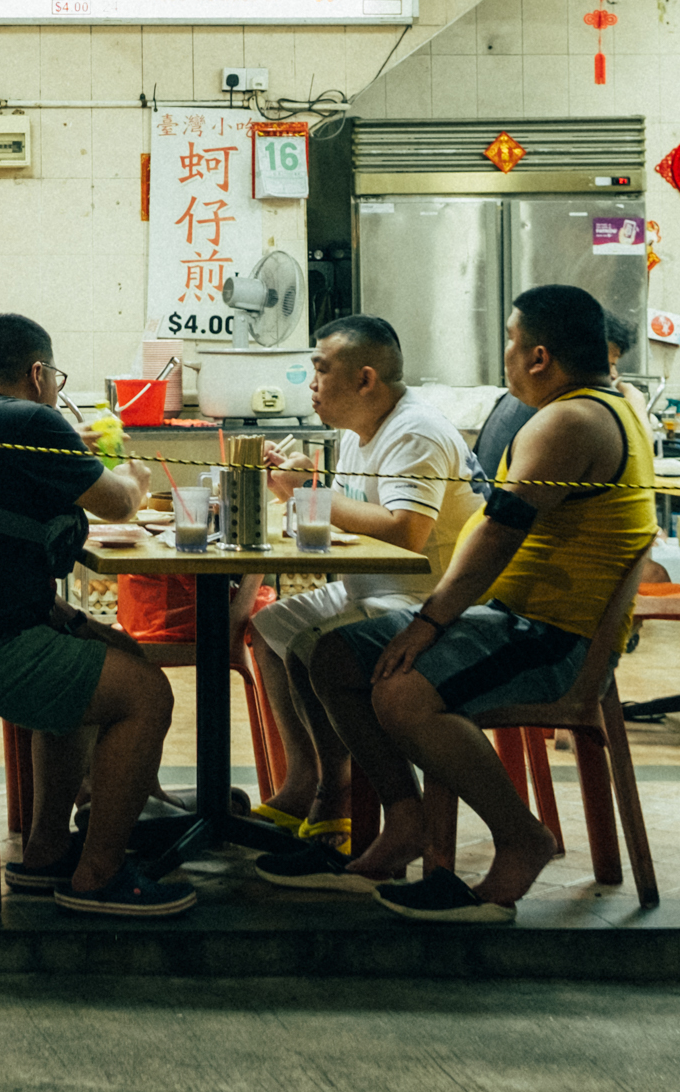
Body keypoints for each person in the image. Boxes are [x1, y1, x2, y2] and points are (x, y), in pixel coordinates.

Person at [258, 285, 656, 922]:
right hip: (511, 619)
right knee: (333, 654)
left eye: (510, 340)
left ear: (539, 356)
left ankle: (521, 836)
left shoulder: (569, 421)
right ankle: (404, 818)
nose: (504, 355)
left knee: (400, 688)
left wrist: (430, 621)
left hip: (550, 636)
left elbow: (498, 533)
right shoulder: (600, 408)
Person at [0, 312, 191, 916]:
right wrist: (133, 472)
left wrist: (73, 621)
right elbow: (121, 504)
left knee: (112, 651)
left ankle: (49, 853)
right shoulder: (26, 419)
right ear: (39, 373)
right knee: (146, 694)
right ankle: (99, 875)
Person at [251, 317, 483, 845]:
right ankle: (304, 780)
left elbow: (406, 532)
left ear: (365, 379)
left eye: (321, 369)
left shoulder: (415, 430)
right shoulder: (361, 431)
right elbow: (358, 512)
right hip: (374, 589)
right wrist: (310, 480)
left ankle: (336, 796)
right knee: (270, 628)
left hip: (428, 601)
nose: (311, 383)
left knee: (314, 647)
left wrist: (308, 492)